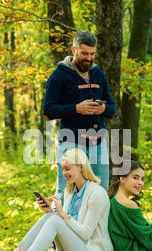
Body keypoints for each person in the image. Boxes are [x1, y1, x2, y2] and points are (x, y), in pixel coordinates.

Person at [0, 148, 114, 251]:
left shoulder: (97, 193)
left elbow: (85, 234)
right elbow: (66, 225)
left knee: (55, 219)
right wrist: (50, 212)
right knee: (51, 217)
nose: (64, 173)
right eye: (63, 169)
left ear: (81, 167)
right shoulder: (70, 191)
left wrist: (62, 215)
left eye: (67, 168)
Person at [43, 30, 116, 202]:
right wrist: (77, 108)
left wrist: (103, 109)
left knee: (101, 193)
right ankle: (59, 227)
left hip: (98, 143)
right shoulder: (59, 75)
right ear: (74, 50)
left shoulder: (98, 73)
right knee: (65, 193)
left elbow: (112, 108)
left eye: (92, 54)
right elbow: (48, 111)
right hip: (71, 142)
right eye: (84, 53)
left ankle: (95, 229)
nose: (89, 58)